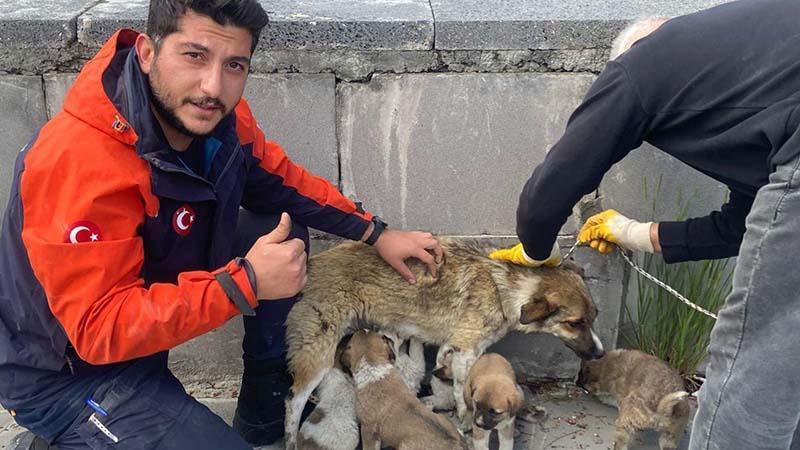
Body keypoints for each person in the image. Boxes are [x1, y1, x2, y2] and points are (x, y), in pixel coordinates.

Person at [0, 0, 443, 448]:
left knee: (279, 229)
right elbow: (100, 329)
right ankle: (67, 438)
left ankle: (264, 408)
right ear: (148, 53)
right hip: (66, 377)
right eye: (194, 56)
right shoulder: (78, 162)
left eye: (234, 65)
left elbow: (281, 182)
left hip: (140, 338)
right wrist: (244, 284)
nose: (212, 86)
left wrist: (376, 233)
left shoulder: (216, 118)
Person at [490, 0, 800, 449]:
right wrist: (632, 232)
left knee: (752, 362)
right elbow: (744, 224)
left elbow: (550, 189)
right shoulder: (757, 63)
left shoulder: (644, 60)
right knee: (790, 358)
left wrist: (536, 251)